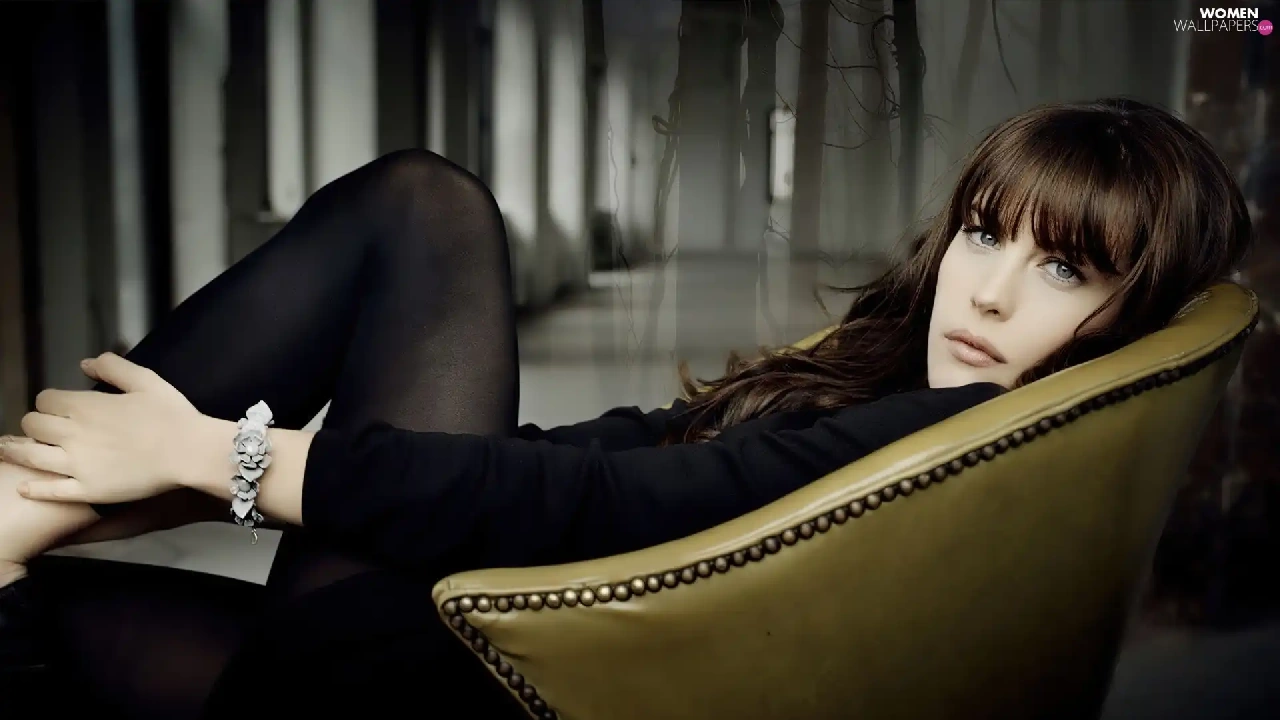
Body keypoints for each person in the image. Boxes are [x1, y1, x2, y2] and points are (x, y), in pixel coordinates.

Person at [0, 96, 1253, 717]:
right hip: (475, 629)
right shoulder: (909, 378)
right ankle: (26, 512)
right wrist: (191, 474)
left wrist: (227, 462)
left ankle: (16, 506)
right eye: (984, 234)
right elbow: (632, 444)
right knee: (40, 592)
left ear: (1125, 311)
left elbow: (616, 500)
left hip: (492, 679)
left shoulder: (949, 436)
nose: (986, 293)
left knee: (425, 210)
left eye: (1062, 269)